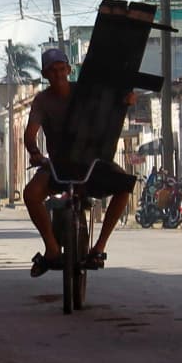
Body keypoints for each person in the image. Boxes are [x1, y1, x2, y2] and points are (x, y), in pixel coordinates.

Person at [21, 45, 136, 275]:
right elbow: (30, 133)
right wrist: (34, 151)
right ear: (45, 75)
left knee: (125, 185)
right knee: (30, 195)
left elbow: (110, 104)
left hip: (91, 164)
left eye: (61, 69)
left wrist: (127, 100)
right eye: (52, 71)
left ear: (69, 69)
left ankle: (99, 247)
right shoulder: (42, 101)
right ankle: (52, 248)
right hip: (57, 167)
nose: (58, 74)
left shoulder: (84, 92)